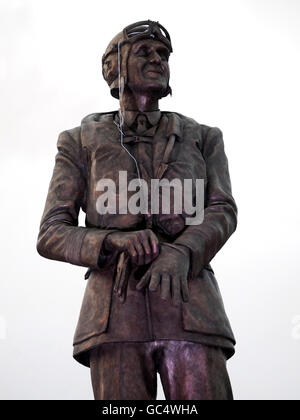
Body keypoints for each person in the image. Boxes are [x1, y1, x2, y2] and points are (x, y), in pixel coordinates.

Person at [37, 20, 238, 400]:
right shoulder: (79, 142)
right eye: (144, 53)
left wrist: (182, 252)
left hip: (192, 310)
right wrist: (111, 241)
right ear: (113, 68)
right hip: (114, 317)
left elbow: (222, 210)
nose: (157, 60)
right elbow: (51, 232)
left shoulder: (204, 137)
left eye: (163, 55)